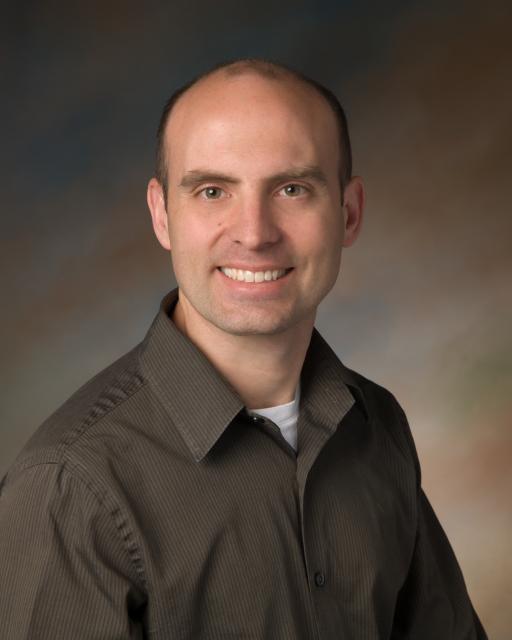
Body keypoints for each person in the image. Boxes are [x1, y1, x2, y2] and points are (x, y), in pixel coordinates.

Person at [0, 59, 486, 639]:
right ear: (162, 215)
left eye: (292, 189)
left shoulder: (376, 426)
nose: (254, 233)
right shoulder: (70, 489)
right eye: (212, 191)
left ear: (349, 213)